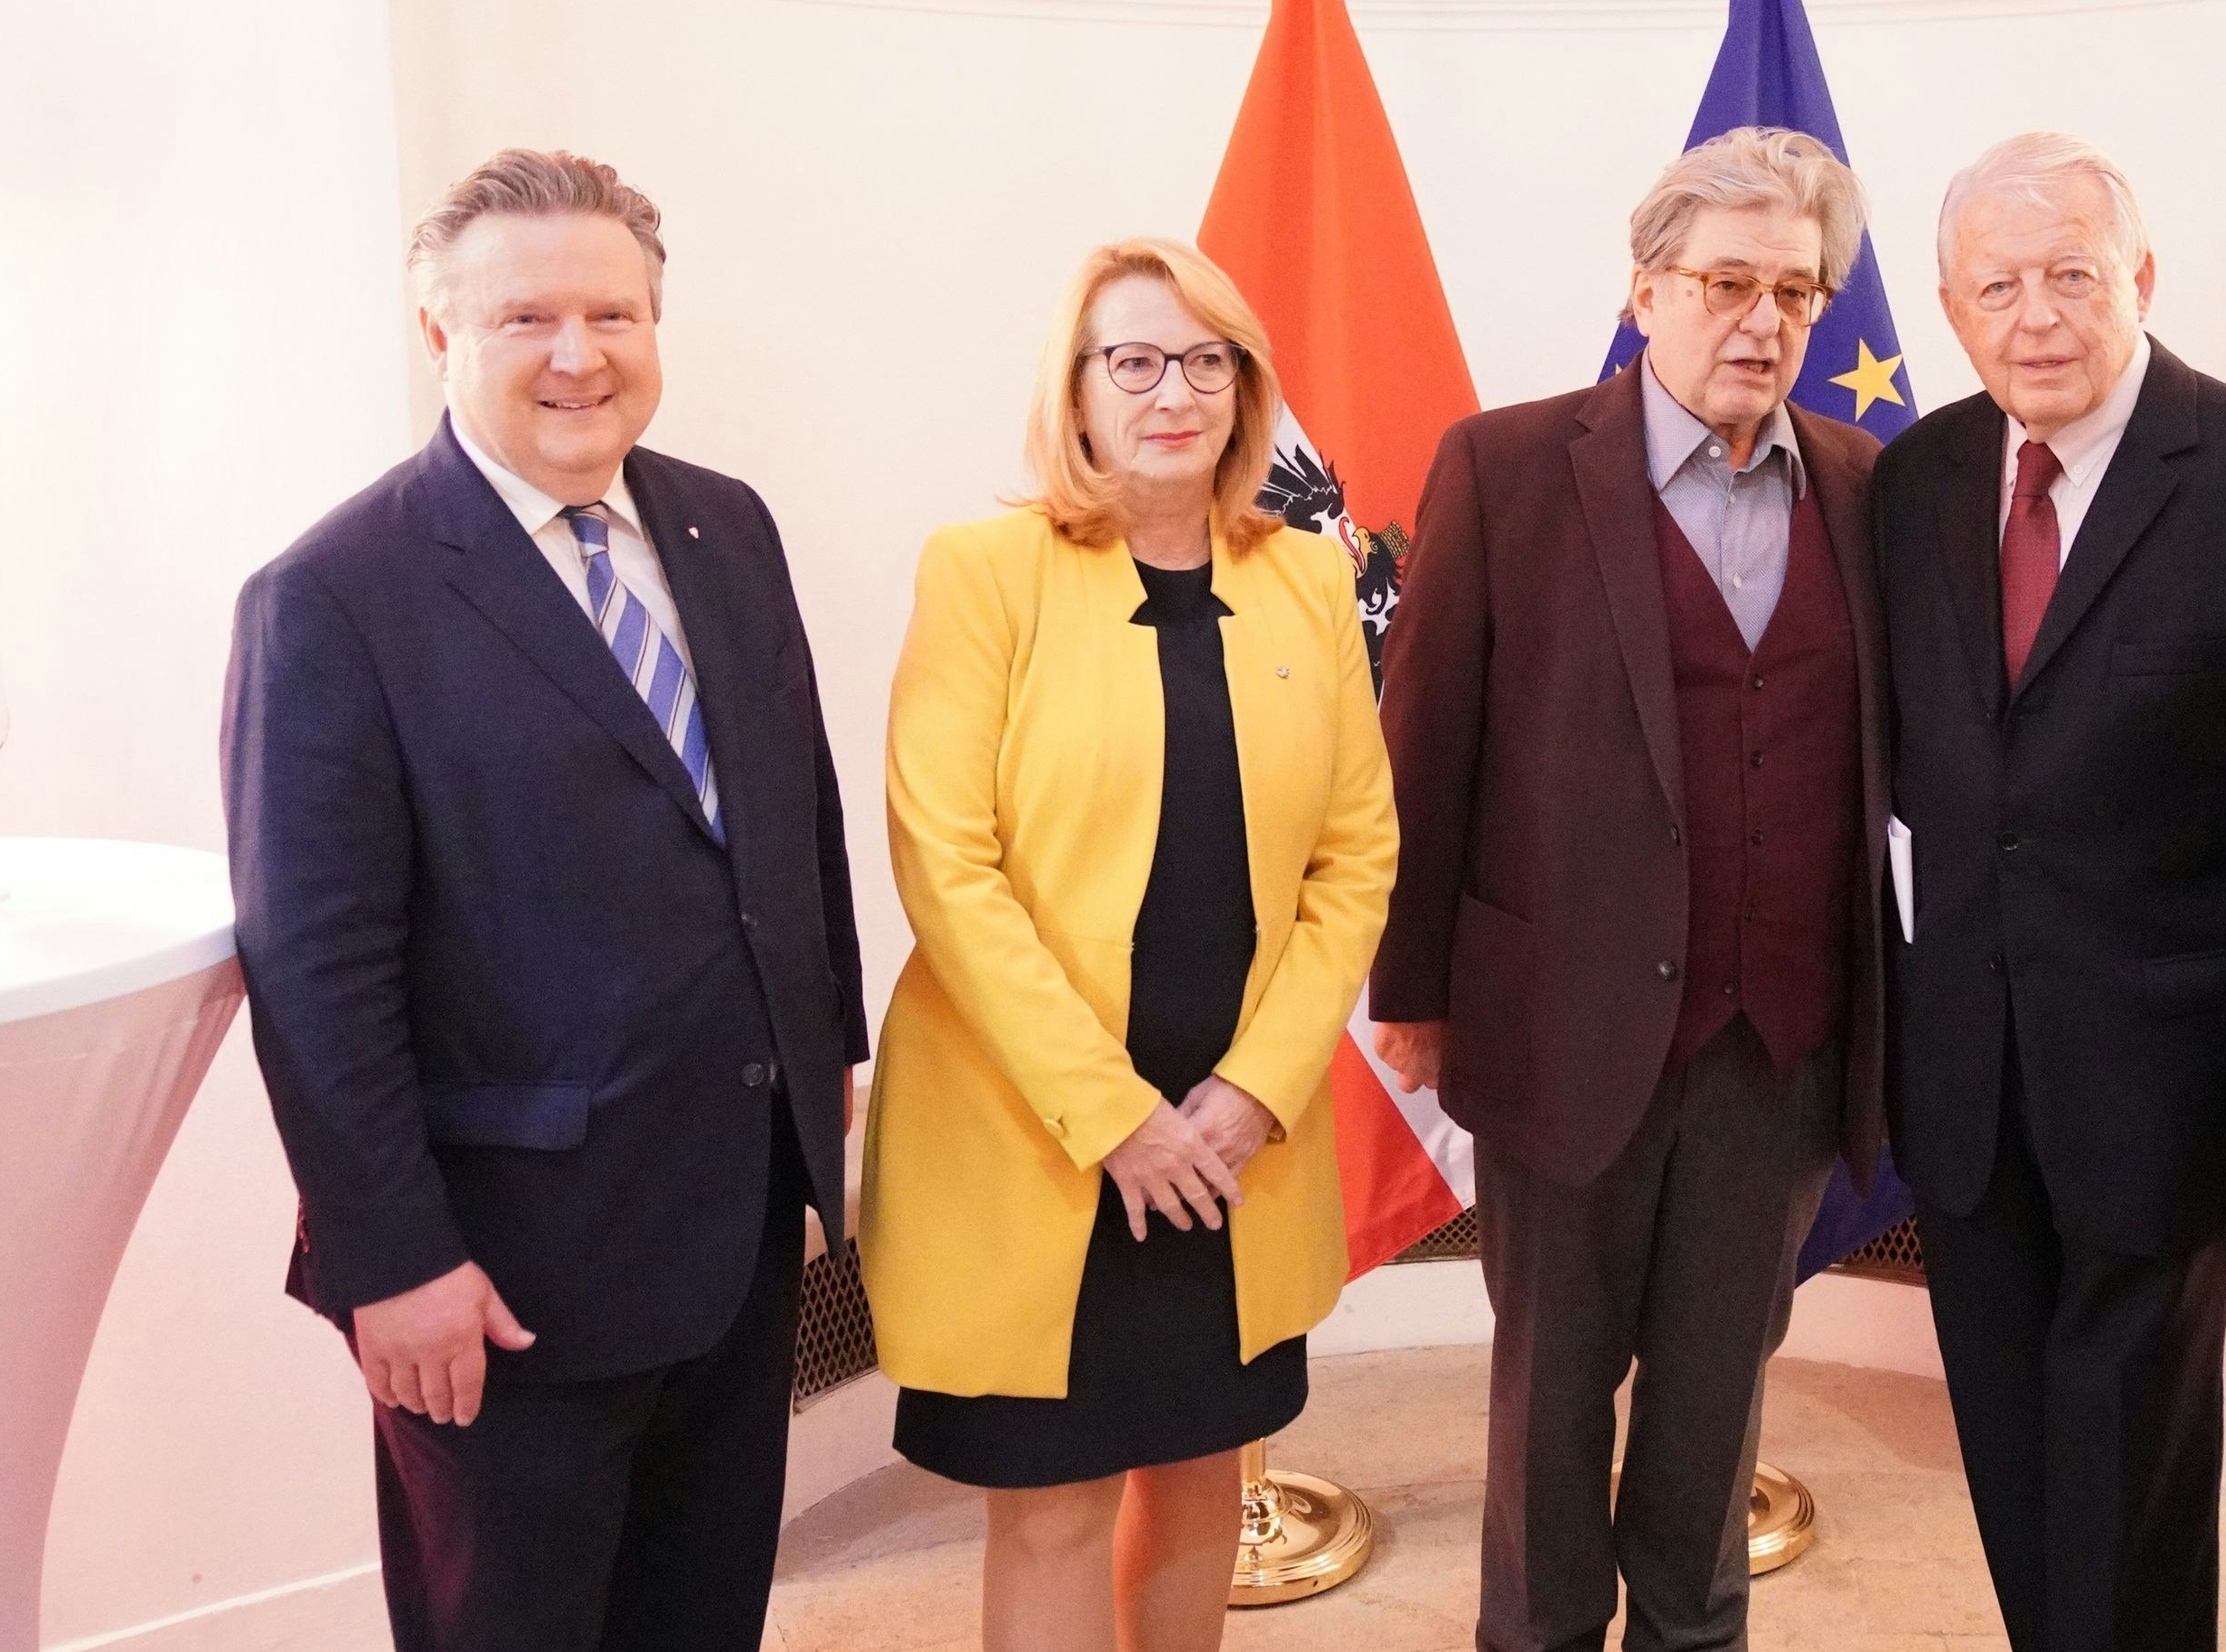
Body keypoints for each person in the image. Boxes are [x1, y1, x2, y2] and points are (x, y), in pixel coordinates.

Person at [223, 149, 870, 1652]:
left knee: (698, 1619)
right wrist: (394, 1261)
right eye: (525, 319)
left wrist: (824, 1092)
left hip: (733, 1229)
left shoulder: (730, 525)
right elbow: (317, 977)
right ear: (439, 332)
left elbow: (795, 826)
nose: (579, 355)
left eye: (613, 313)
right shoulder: (332, 597)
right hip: (500, 1282)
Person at [1370, 125, 1890, 1652]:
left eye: (1795, 291)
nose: (1763, 321)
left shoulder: (1869, 484)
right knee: (1547, 1413)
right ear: (1648, 288)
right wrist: (1411, 991)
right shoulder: (1512, 465)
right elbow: (1430, 738)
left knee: (1713, 1413)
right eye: (1727, 281)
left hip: (1777, 1043)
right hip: (1558, 1030)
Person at [858, 237, 1396, 1652]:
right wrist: (1118, 1119)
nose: (1173, 390)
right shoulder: (986, 571)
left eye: (1206, 360)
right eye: (1135, 360)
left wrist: (1252, 1094)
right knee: (1052, 1503)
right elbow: (944, 860)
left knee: (1203, 1473)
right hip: (1042, 1133)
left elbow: (1357, 857)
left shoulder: (1308, 584)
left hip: (1232, 1146)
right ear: (1078, 392)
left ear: (1245, 387)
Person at [1869, 132, 2226, 1649]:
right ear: (1951, 308)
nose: (2037, 316)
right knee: (2013, 1447)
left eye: (2072, 275)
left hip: (2172, 1088)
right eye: (1997, 285)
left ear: (2140, 278)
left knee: (2128, 1457)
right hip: (1964, 1078)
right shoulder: (1915, 479)